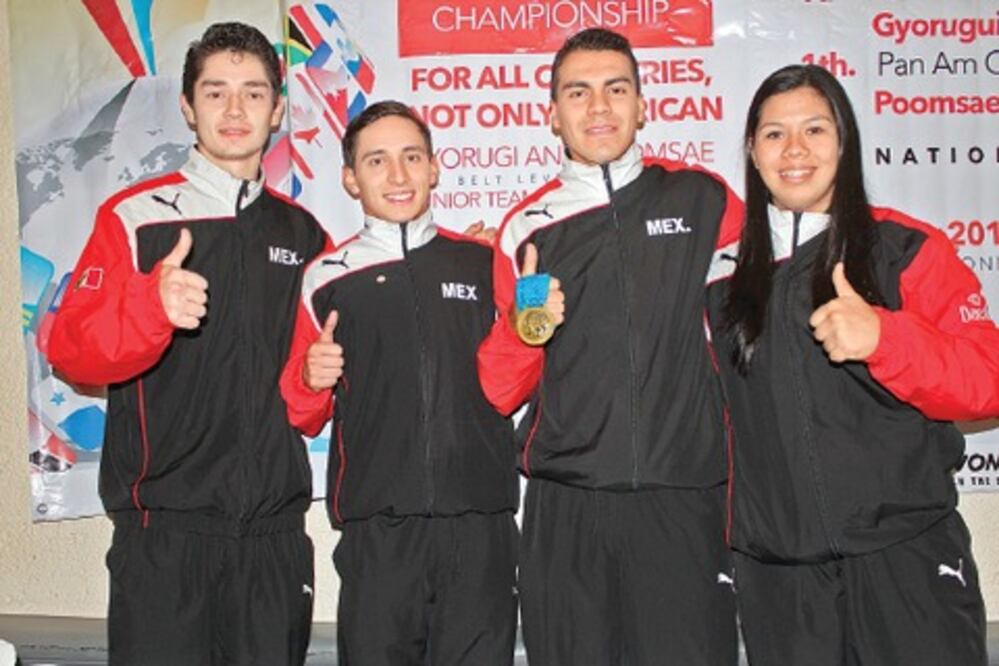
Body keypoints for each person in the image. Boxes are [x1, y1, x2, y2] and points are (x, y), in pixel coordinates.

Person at [47, 22, 332, 666]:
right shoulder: (134, 218)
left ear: (278, 109)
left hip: (274, 542)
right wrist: (150, 306)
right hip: (164, 540)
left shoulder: (308, 237)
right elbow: (71, 351)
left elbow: (307, 404)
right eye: (216, 92)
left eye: (254, 93)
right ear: (187, 106)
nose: (235, 110)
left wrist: (316, 384)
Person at [707, 63, 999, 665]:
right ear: (752, 153)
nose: (794, 150)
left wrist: (886, 338)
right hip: (780, 580)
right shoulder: (719, 280)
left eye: (814, 130)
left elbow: (986, 383)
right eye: (774, 134)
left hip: (905, 559)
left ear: (845, 141)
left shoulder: (906, 249)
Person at [477, 27, 741, 665]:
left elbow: (753, 333)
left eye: (616, 89)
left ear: (643, 104)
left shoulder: (705, 201)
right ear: (552, 114)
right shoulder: (527, 227)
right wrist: (524, 331)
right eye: (579, 92)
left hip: (683, 499)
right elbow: (497, 388)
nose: (599, 108)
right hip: (569, 506)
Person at [279, 100, 519, 665]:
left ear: (434, 168)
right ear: (349, 178)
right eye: (377, 161)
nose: (397, 175)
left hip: (479, 528)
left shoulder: (481, 264)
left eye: (412, 157)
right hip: (379, 538)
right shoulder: (325, 280)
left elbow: (521, 370)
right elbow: (300, 408)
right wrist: (311, 380)